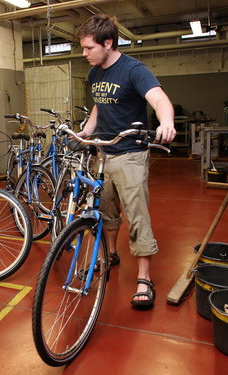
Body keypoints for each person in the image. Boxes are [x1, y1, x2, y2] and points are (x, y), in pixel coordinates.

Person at [77, 15, 176, 308]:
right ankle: (110, 255)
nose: (84, 54)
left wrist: (166, 121)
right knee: (106, 211)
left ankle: (145, 278)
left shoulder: (134, 70)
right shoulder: (95, 72)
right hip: (103, 153)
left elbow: (159, 99)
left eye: (88, 48)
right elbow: (99, 104)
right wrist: (87, 129)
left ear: (108, 43)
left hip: (131, 154)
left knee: (136, 215)